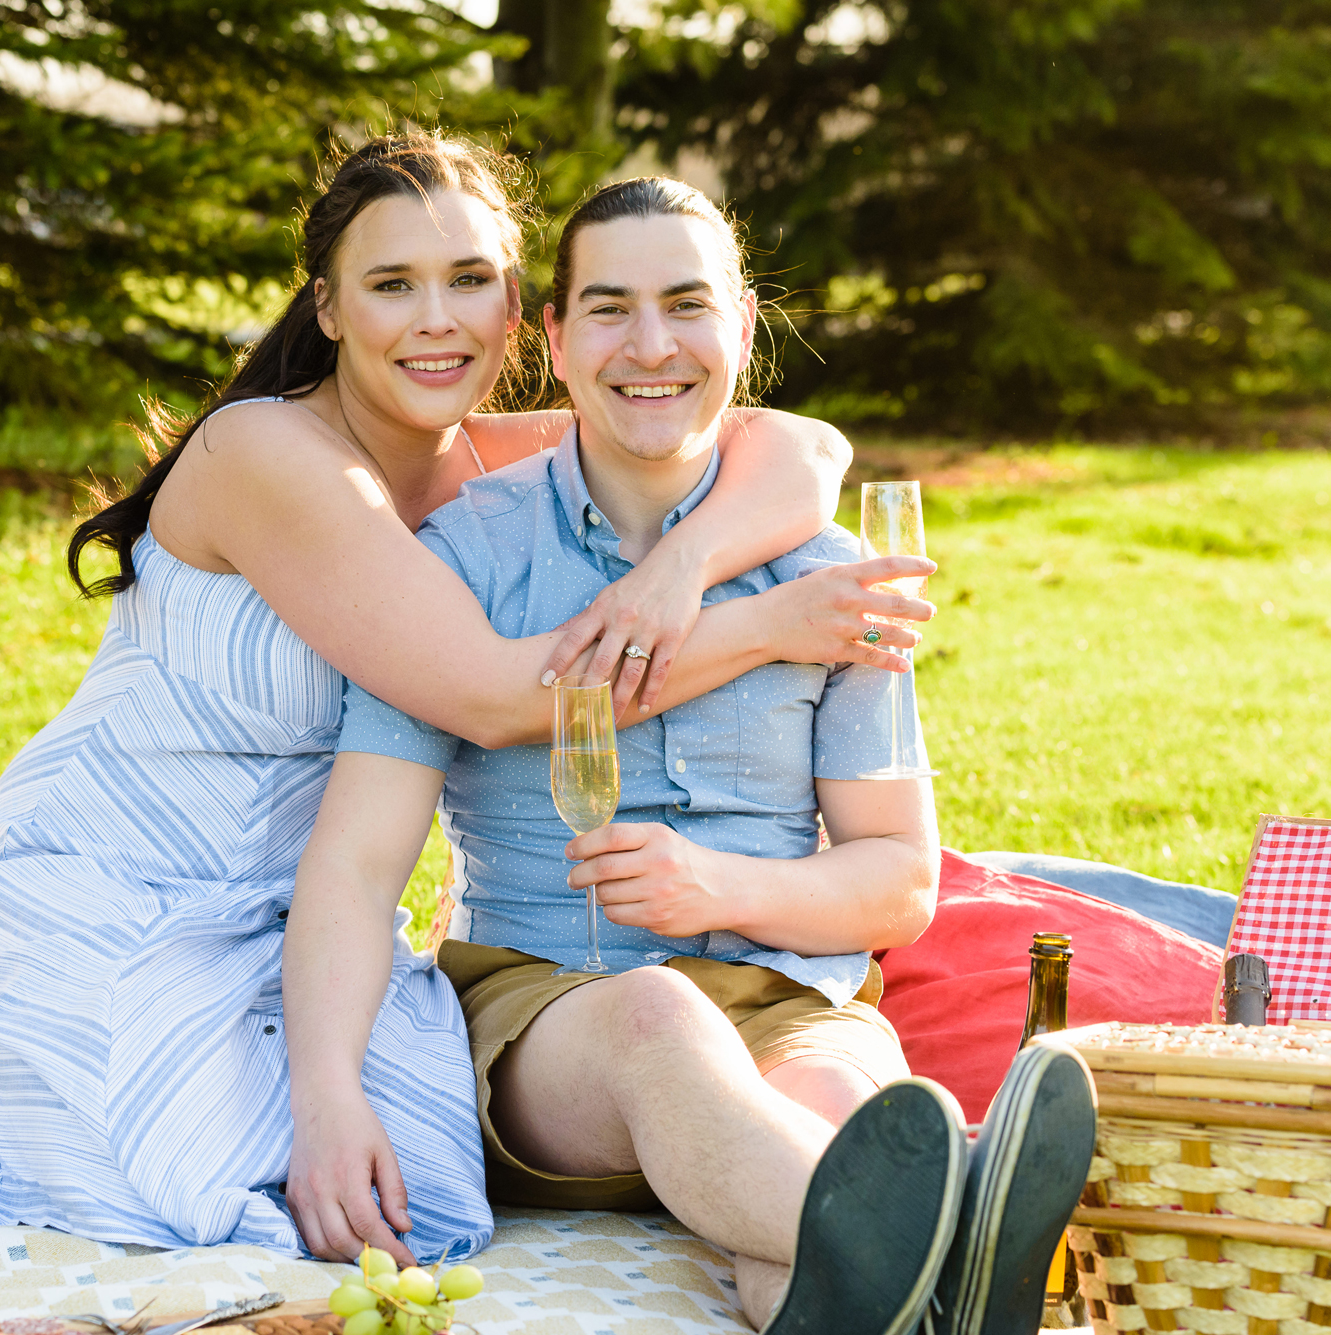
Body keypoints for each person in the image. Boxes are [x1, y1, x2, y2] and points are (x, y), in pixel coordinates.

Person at [0, 132, 935, 1263]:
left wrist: (680, 570)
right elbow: (497, 699)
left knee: (554, 1158)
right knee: (245, 1189)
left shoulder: (476, 461)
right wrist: (766, 628)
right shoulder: (271, 453)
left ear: (514, 315)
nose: (435, 319)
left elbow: (791, 445)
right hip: (141, 896)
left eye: (467, 283)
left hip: (307, 921)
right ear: (329, 308)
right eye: (391, 284)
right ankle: (923, 1244)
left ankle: (872, 1262)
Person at [284, 177, 1097, 1334]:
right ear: (554, 341)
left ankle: (908, 1260)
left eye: (685, 304)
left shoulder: (824, 574)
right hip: (552, 1016)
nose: (650, 346)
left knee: (819, 1223)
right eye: (609, 309)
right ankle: (965, 1234)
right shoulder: (462, 552)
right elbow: (358, 867)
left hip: (788, 999)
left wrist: (725, 888)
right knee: (661, 1021)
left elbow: (897, 884)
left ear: (742, 328)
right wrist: (323, 1100)